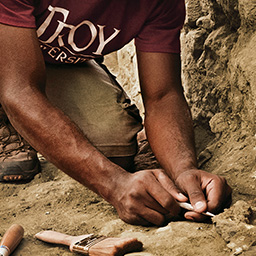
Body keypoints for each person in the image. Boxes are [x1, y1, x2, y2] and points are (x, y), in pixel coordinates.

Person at [0, 0, 231, 226]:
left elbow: (163, 96)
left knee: (118, 151)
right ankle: (8, 118)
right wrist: (115, 184)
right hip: (9, 56)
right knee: (15, 95)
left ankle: (27, 117)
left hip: (51, 61)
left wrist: (183, 169)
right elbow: (20, 90)